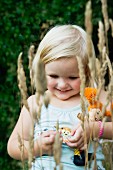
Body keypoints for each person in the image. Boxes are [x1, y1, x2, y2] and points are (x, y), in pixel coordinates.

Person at [7, 25, 113, 170]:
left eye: (72, 77)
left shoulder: (95, 97)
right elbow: (13, 147)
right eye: (54, 76)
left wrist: (95, 129)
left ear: (87, 72)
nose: (62, 84)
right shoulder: (35, 103)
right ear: (43, 69)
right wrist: (38, 147)